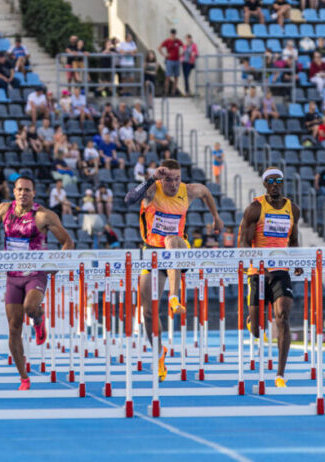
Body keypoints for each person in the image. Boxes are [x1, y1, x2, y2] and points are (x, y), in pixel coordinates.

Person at [0, 176, 74, 390]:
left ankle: (38, 318)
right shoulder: (3, 210)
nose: (23, 193)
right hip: (12, 276)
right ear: (13, 191)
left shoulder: (43, 215)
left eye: (27, 190)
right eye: (19, 190)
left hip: (35, 273)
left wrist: (57, 264)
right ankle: (24, 377)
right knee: (14, 328)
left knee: (30, 307)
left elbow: (67, 242)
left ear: (33, 193)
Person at [125, 159, 224, 381]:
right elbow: (130, 199)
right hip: (151, 253)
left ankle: (174, 297)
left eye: (177, 179)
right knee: (148, 313)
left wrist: (216, 217)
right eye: (168, 179)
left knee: (171, 240)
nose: (173, 184)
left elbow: (206, 192)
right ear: (162, 178)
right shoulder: (152, 190)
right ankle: (160, 355)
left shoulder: (187, 191)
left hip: (180, 249)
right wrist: (152, 177)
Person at [237, 168, 301, 388]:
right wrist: (252, 263)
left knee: (282, 316)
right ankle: (251, 322)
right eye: (270, 181)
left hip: (281, 271)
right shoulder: (255, 208)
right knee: (257, 330)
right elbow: (244, 241)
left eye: (278, 181)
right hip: (258, 272)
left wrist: (297, 261)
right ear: (264, 184)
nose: (275, 184)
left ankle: (280, 374)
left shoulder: (292, 209)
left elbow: (293, 240)